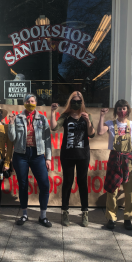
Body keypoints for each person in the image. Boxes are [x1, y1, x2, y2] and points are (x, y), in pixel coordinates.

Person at [50, 91, 95, 227]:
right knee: (68, 182)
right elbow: (54, 127)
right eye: (74, 100)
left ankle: (85, 213)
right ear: (70, 102)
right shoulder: (65, 116)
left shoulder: (87, 115)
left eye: (79, 101)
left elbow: (91, 134)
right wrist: (52, 112)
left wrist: (88, 121)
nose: (77, 103)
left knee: (82, 183)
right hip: (68, 155)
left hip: (83, 155)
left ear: (82, 102)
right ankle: (64, 212)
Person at [8, 94, 52, 227]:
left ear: (36, 103)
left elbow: (48, 140)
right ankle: (24, 214)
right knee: (23, 184)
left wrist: (48, 158)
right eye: (28, 101)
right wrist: (11, 123)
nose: (30, 103)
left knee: (44, 184)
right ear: (24, 103)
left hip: (37, 155)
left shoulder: (42, 119)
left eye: (32, 101)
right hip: (21, 155)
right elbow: (11, 138)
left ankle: (43, 216)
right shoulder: (17, 118)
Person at [97, 99, 132, 230]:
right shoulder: (110, 124)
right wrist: (102, 116)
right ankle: (111, 218)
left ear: (127, 110)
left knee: (129, 192)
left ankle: (128, 218)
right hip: (115, 159)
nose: (122, 111)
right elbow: (99, 132)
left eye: (124, 108)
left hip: (129, 160)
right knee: (112, 190)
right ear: (116, 111)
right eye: (119, 109)